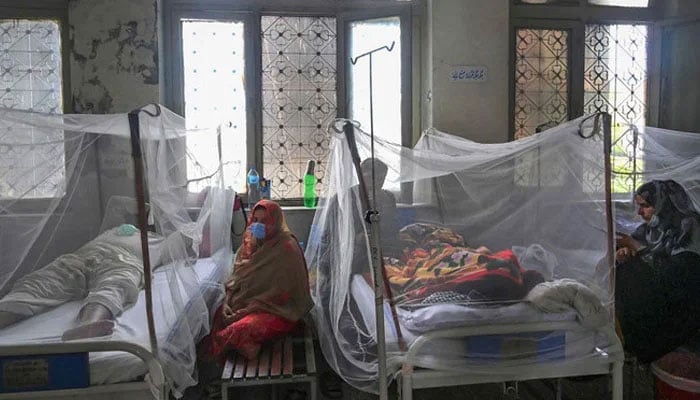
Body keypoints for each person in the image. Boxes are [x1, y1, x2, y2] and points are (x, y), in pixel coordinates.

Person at [0, 223, 184, 340]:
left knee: (114, 285)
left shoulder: (162, 242)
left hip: (125, 262)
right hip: (82, 257)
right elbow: (116, 202)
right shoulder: (115, 229)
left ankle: (88, 325)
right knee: (41, 283)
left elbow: (190, 237)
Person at [207, 199, 313, 360]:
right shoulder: (250, 243)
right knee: (218, 316)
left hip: (278, 310)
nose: (258, 225)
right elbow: (236, 277)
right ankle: (249, 345)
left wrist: (250, 308)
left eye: (265, 221)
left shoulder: (287, 247)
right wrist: (227, 302)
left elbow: (286, 295)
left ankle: (250, 347)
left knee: (241, 329)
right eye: (255, 220)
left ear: (276, 222)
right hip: (246, 303)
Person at [615, 179, 700, 363]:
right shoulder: (653, 228)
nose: (639, 213)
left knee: (629, 276)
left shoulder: (689, 226)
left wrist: (636, 248)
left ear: (662, 204)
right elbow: (640, 249)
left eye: (645, 206)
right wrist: (626, 252)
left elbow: (678, 275)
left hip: (683, 302)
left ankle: (638, 342)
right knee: (622, 270)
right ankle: (625, 336)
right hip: (662, 290)